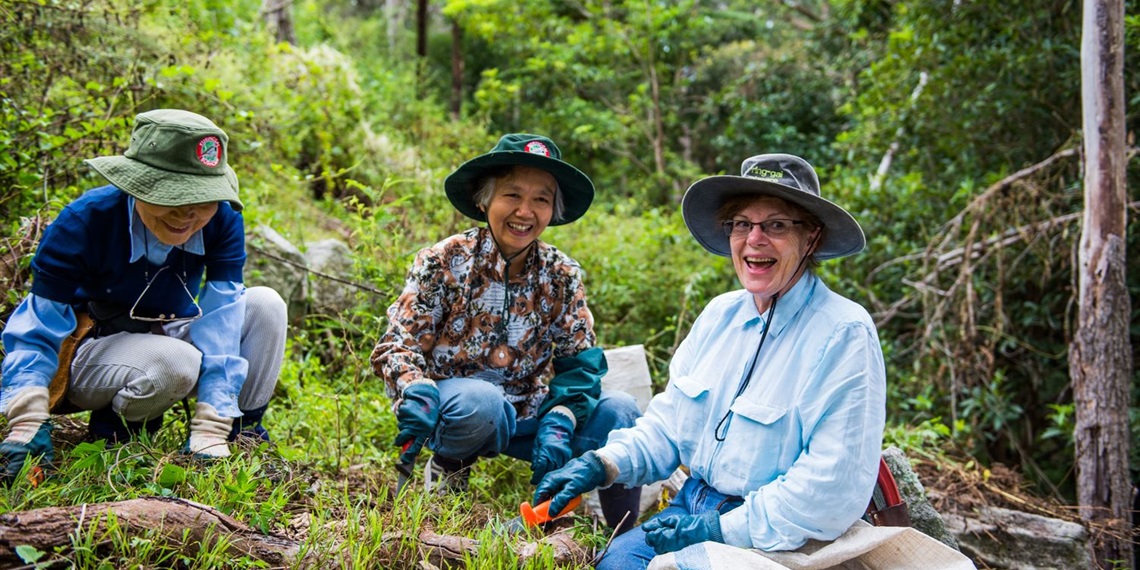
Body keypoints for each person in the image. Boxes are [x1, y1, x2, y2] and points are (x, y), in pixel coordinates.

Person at [534, 153, 887, 568]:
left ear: (811, 238)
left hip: (782, 538)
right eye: (742, 224)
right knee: (616, 564)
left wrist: (722, 529)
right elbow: (669, 428)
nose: (754, 239)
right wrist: (601, 463)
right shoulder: (721, 315)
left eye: (776, 225)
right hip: (692, 507)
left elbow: (831, 486)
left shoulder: (844, 333)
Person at [370, 133, 642, 533]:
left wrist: (561, 417)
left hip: (527, 409)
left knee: (620, 410)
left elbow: (580, 363)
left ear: (553, 210)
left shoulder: (561, 274)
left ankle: (617, 532)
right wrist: (415, 389)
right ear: (485, 200)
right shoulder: (443, 261)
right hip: (459, 404)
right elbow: (398, 345)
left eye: (541, 199)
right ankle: (448, 470)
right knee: (481, 400)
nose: (525, 211)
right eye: (512, 195)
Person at [0, 109, 288, 482]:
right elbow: (37, 325)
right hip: (90, 350)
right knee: (175, 360)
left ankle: (239, 432)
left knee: (266, 305)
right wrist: (27, 417)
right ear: (136, 184)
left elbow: (224, 314)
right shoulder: (86, 221)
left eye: (203, 199)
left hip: (168, 329)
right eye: (174, 197)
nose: (187, 215)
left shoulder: (222, 219)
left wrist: (211, 424)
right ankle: (117, 431)